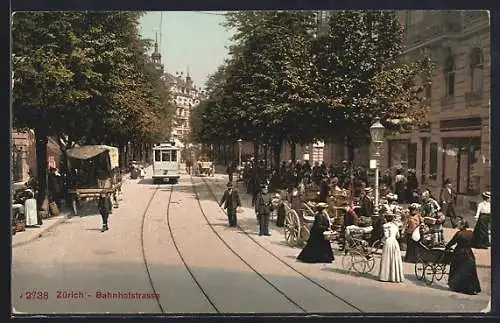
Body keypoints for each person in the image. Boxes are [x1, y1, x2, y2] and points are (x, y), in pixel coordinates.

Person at [445, 220, 481, 295]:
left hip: (459, 253)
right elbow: (474, 242)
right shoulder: (470, 233)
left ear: (462, 226)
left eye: (459, 224)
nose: (457, 225)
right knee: (470, 270)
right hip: (468, 252)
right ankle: (472, 288)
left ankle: (457, 287)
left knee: (456, 268)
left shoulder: (459, 233)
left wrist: (446, 247)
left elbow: (452, 242)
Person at [379, 212, 405, 283]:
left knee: (387, 258)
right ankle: (394, 276)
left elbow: (386, 235)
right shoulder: (395, 226)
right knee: (395, 258)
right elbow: (398, 236)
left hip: (388, 242)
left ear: (386, 218)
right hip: (395, 242)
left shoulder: (385, 225)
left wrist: (382, 240)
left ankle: (385, 276)